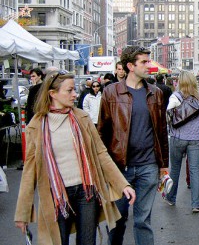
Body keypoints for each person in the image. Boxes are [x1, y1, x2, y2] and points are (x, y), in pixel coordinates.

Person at [14, 70, 135, 245]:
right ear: (52, 93)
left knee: (87, 242)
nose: (75, 94)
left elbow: (101, 154)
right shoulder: (37, 125)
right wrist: (23, 213)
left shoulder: (82, 118)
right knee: (57, 241)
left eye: (74, 90)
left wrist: (122, 184)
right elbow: (29, 171)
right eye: (69, 90)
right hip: (55, 196)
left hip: (86, 192)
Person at [98, 46, 169, 245]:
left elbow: (162, 131)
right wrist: (105, 168)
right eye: (144, 62)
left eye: (149, 61)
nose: (149, 65)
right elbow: (102, 131)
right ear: (130, 66)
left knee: (143, 221)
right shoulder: (111, 92)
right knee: (117, 220)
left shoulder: (155, 93)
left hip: (148, 166)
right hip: (120, 168)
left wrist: (163, 165)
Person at [165, 70, 199, 213]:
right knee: (195, 170)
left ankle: (171, 198)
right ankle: (196, 204)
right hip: (195, 138)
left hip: (178, 137)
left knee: (176, 169)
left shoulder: (176, 96)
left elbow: (168, 116)